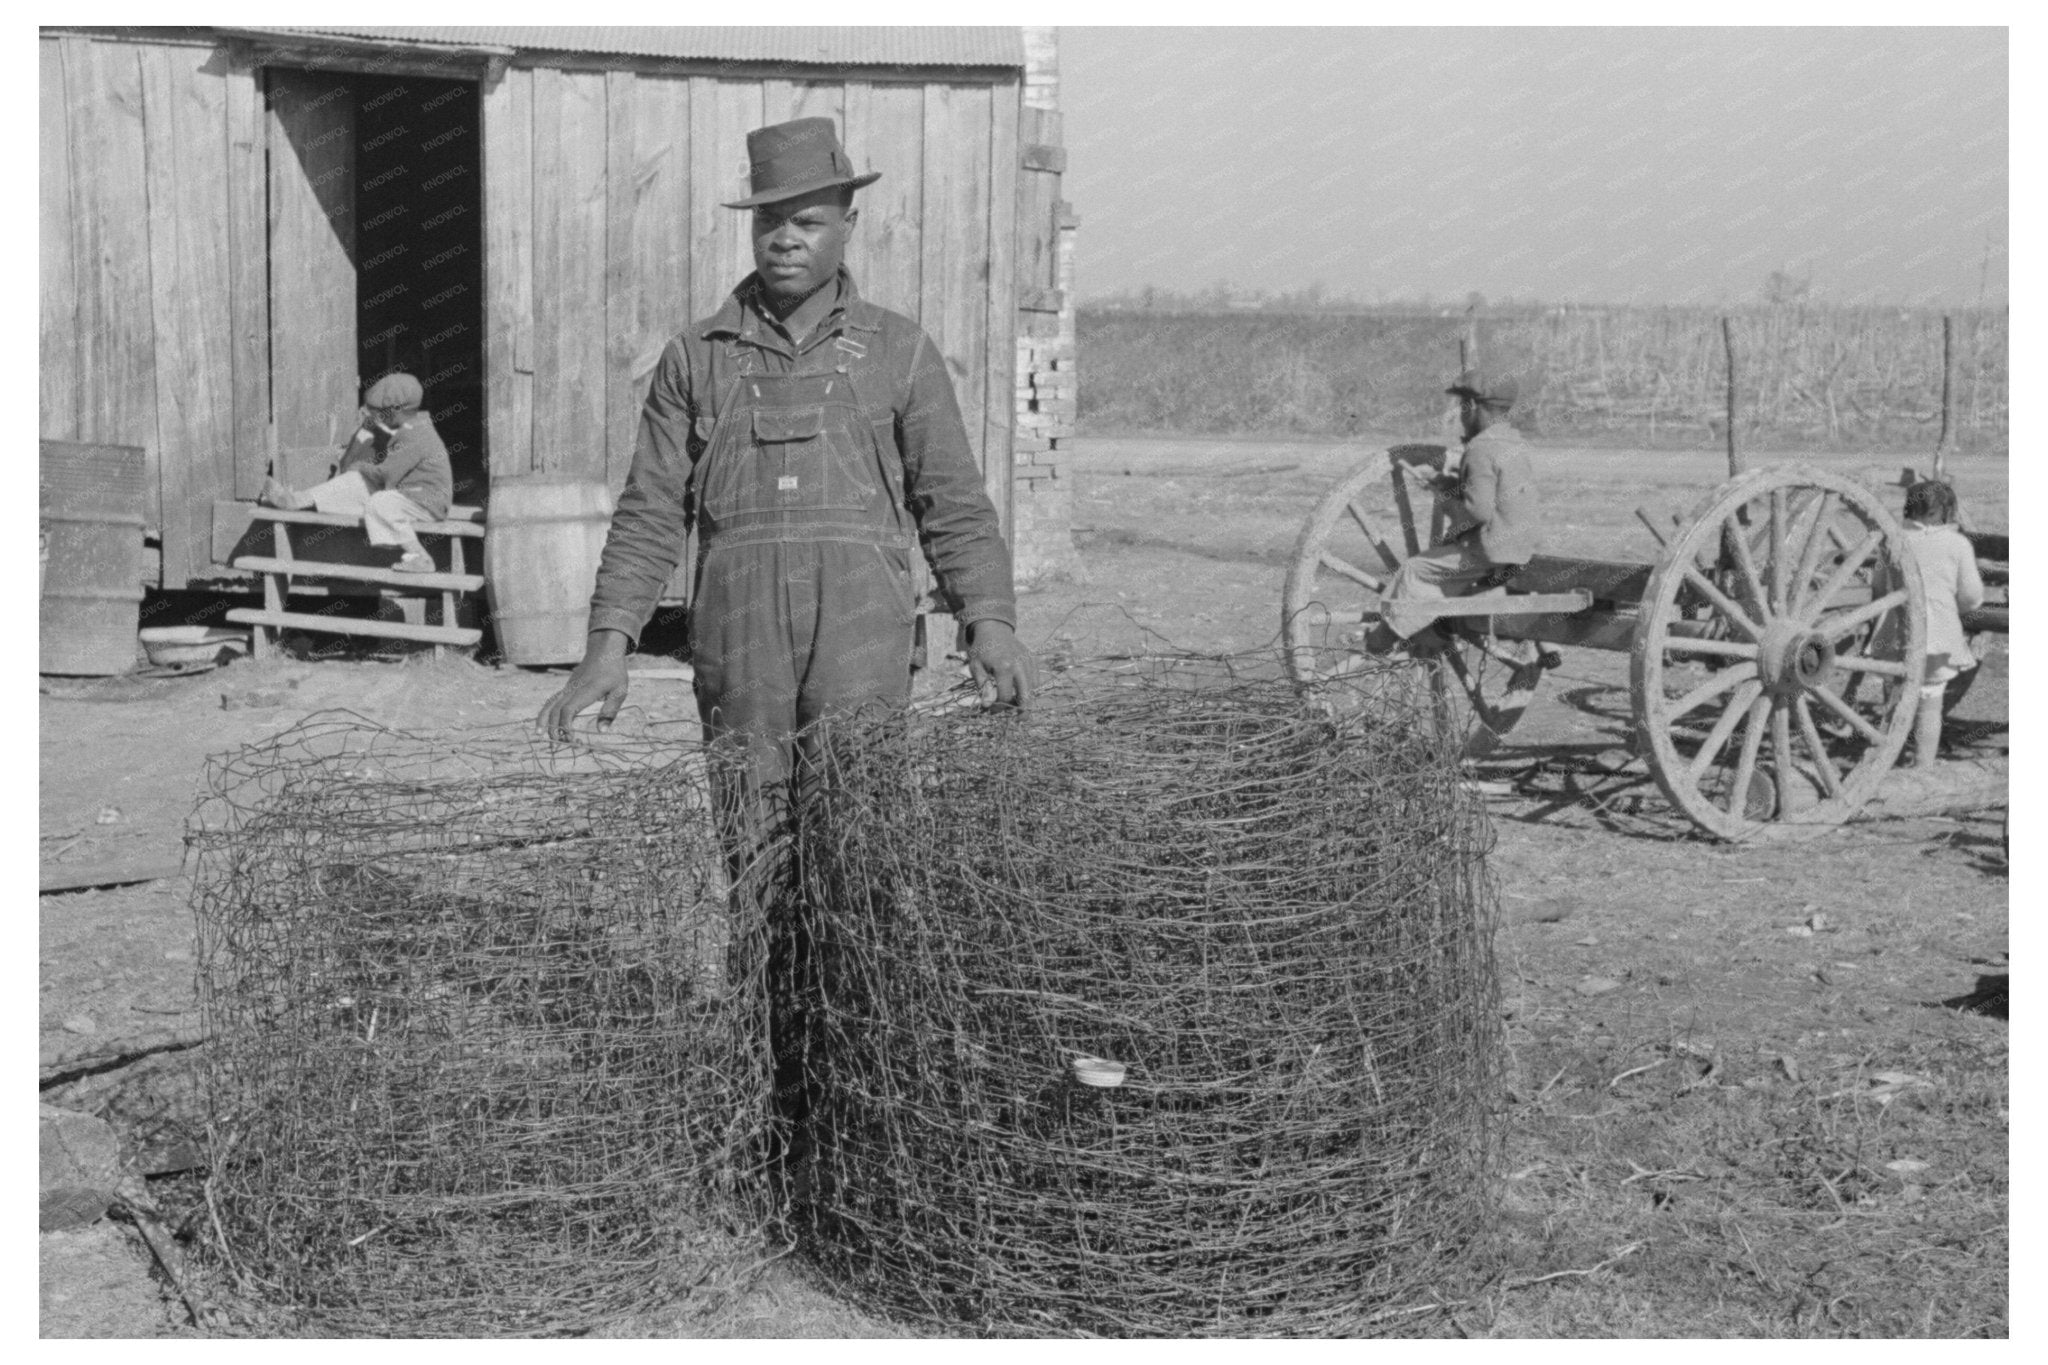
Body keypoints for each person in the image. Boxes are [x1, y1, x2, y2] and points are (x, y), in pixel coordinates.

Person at [537, 116, 1037, 772]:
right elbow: (649, 513)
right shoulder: (696, 358)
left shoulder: (900, 352)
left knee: (861, 838)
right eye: (769, 221)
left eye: (807, 222)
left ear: (848, 227)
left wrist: (989, 620)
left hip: (862, 645)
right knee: (753, 842)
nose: (784, 240)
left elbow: (956, 507)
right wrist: (608, 643)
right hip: (739, 648)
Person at [1365, 368, 1541, 653]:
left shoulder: (1480, 449)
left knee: (1416, 569)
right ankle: (1423, 624)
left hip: (1489, 550)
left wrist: (1447, 502)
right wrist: (1451, 484)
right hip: (1520, 545)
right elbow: (1497, 494)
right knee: (1434, 566)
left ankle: (1389, 636)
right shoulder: (1514, 443)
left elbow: (1478, 512)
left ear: (1471, 407)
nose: (1460, 415)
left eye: (1462, 407)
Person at [259, 372, 454, 573]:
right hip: (407, 496)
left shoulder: (415, 436)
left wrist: (359, 466)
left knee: (380, 503)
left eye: (378, 412)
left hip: (427, 503)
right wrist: (359, 470)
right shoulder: (411, 426)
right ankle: (297, 501)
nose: (373, 416)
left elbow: (386, 475)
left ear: (395, 411)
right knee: (355, 481)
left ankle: (422, 558)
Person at [1898, 479, 1985, 767]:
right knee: (1930, 701)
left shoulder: (1895, 540)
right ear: (1948, 511)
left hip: (1895, 634)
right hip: (1937, 635)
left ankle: (1887, 759)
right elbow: (1972, 596)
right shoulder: (1957, 544)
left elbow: (1879, 588)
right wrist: (1955, 610)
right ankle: (1922, 767)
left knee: (1897, 696)